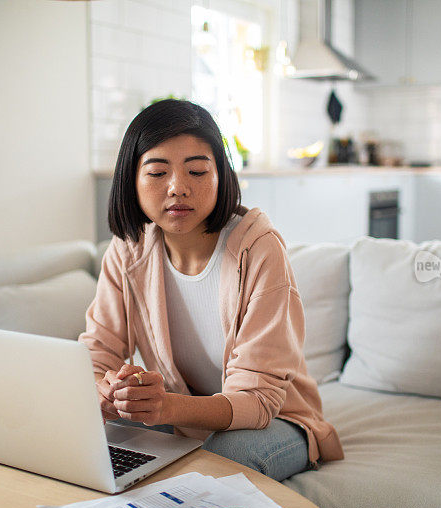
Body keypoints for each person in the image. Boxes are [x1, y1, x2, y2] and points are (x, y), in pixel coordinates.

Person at [79, 99, 343, 481]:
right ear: (131, 181)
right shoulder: (128, 249)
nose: (178, 188)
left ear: (221, 176)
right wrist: (106, 392)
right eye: (156, 172)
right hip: (179, 418)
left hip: (277, 419)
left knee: (223, 457)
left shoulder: (258, 248)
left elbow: (257, 401)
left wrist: (167, 409)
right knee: (98, 441)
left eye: (197, 171)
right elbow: (98, 353)